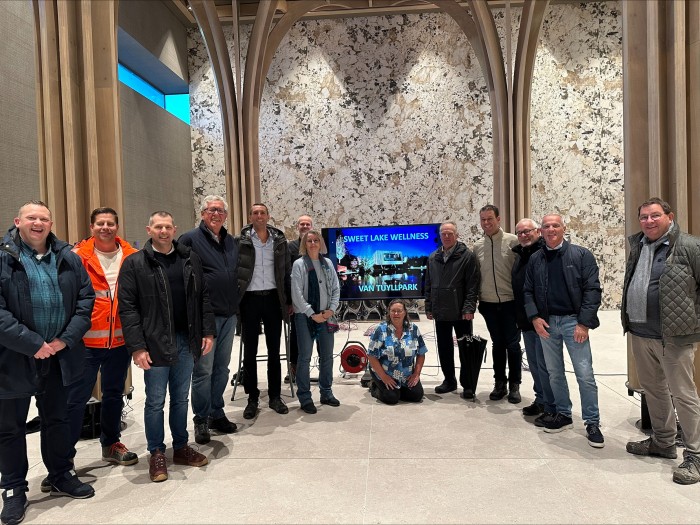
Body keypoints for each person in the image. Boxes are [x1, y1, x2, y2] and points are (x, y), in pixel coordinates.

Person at [0, 201, 95, 525]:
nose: (38, 223)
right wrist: (32, 344)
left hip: (58, 355)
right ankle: (13, 488)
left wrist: (64, 340)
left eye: (43, 218)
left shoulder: (68, 257)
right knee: (10, 427)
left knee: (57, 418)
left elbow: (86, 300)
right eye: (31, 218)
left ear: (51, 224)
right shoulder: (4, 257)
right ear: (18, 222)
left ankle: (60, 474)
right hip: (13, 356)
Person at [118, 211, 216, 483]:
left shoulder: (190, 258)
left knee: (181, 398)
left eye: (168, 227)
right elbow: (128, 308)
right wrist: (137, 347)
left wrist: (208, 331)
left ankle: (181, 446)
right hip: (154, 343)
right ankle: (157, 452)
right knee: (155, 401)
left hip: (186, 339)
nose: (163, 231)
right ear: (149, 230)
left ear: (175, 230)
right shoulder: (135, 263)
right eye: (158, 227)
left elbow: (203, 297)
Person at [622, 197, 700, 485]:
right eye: (644, 217)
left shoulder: (689, 246)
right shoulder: (639, 245)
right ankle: (663, 442)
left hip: (674, 336)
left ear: (670, 216)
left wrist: (693, 321)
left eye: (655, 215)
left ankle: (696, 454)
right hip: (641, 333)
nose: (649, 221)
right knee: (654, 390)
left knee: (684, 395)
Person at [63, 208, 138, 484]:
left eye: (110, 223)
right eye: (100, 223)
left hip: (119, 341)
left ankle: (111, 444)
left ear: (117, 226)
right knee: (75, 400)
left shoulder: (131, 256)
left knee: (114, 394)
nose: (105, 227)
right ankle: (64, 459)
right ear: (92, 226)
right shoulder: (76, 257)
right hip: (85, 343)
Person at [523, 213, 604, 448]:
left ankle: (592, 422)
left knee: (584, 374)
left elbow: (592, 290)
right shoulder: (536, 259)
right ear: (541, 231)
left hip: (573, 323)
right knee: (554, 372)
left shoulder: (581, 255)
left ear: (564, 228)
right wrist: (535, 318)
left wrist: (584, 323)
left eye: (555, 225)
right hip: (547, 324)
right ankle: (563, 414)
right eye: (546, 226)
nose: (551, 229)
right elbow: (527, 291)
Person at [179, 195, 239, 445]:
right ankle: (201, 418)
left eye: (220, 211)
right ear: (203, 213)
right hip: (205, 316)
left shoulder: (231, 241)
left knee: (222, 368)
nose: (216, 214)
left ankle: (216, 412)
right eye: (211, 210)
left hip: (229, 314)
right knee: (203, 370)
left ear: (226, 215)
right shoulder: (189, 239)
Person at [237, 203, 292, 420]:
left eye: (262, 212)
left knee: (274, 351)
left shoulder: (279, 241)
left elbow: (286, 271)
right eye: (255, 213)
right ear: (250, 216)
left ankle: (275, 396)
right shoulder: (240, 241)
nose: (259, 216)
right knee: (249, 352)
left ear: (268, 216)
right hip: (249, 300)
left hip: (272, 299)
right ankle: (252, 398)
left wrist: (288, 300)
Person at [424, 221, 480, 399]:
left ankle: (468, 384)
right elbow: (428, 285)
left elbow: (472, 285)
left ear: (456, 235)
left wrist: (469, 307)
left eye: (450, 233)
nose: (446, 236)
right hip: (440, 310)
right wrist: (429, 306)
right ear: (440, 236)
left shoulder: (467, 256)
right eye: (444, 233)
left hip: (461, 311)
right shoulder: (433, 257)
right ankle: (449, 380)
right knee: (444, 347)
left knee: (466, 349)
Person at [473, 204, 522, 403]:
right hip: (488, 303)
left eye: (490, 219)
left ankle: (515, 385)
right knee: (497, 344)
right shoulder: (477, 246)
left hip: (511, 302)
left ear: (498, 219)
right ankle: (499, 383)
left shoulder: (514, 241)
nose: (486, 223)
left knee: (513, 344)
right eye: (483, 219)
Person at [290, 229, 341, 414]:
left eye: (316, 240)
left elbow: (335, 288)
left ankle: (326, 392)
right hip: (305, 317)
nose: (313, 243)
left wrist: (331, 310)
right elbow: (296, 294)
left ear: (321, 243)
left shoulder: (327, 263)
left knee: (327, 356)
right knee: (304, 357)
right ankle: (305, 397)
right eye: (309, 241)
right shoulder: (298, 264)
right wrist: (312, 314)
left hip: (326, 316)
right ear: (305, 244)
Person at [511, 218, 555, 425]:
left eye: (527, 231)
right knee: (536, 365)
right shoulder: (521, 255)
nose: (523, 235)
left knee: (546, 366)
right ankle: (541, 400)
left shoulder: (544, 253)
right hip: (526, 320)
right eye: (520, 232)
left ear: (537, 231)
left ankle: (552, 405)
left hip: (542, 320)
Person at [367, 299, 428, 405]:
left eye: (399, 311)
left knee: (417, 396)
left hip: (405, 374)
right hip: (384, 372)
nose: (396, 314)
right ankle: (374, 386)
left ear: (405, 312)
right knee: (391, 398)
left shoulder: (413, 329)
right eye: (393, 311)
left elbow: (421, 353)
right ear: (389, 312)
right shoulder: (380, 330)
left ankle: (397, 390)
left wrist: (416, 374)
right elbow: (371, 356)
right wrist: (384, 377)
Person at [286, 214, 314, 383]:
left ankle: (314, 368)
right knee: (296, 334)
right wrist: (290, 301)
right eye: (302, 224)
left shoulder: (317, 245)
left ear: (312, 227)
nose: (304, 226)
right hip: (297, 300)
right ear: (298, 227)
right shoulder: (291, 247)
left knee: (318, 334)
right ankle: (294, 369)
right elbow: (287, 274)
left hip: (316, 300)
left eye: (307, 224)